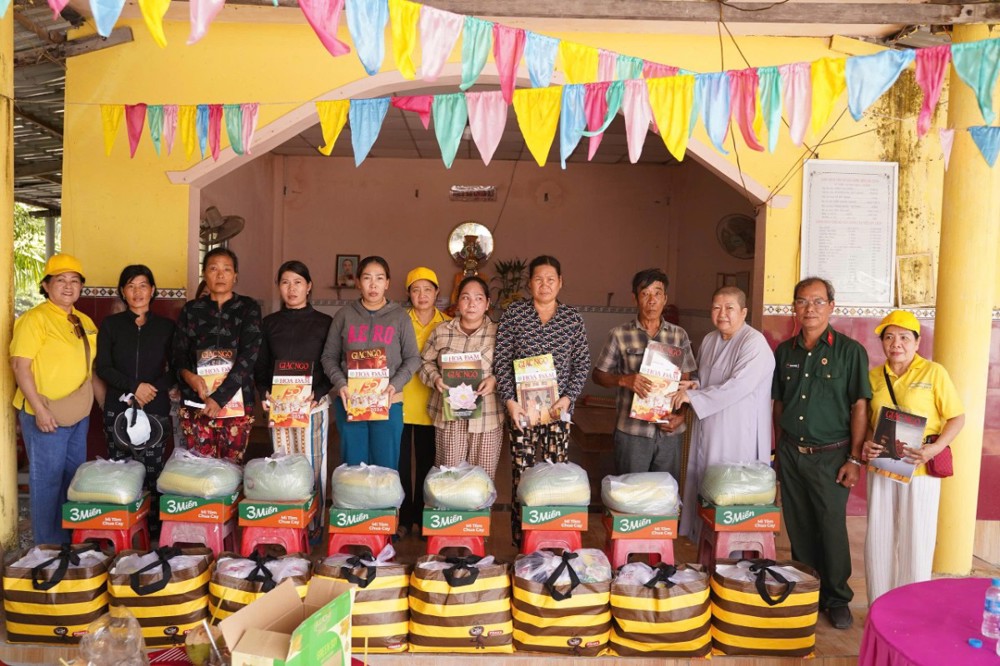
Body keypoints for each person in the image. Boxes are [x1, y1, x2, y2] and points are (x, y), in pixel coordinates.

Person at [772, 276, 871, 630]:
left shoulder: (850, 351)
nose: (809, 308)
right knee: (798, 526)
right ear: (794, 307)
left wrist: (855, 459)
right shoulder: (785, 351)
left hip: (832, 456)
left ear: (831, 306)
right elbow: (779, 403)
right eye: (802, 301)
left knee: (830, 527)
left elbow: (860, 406)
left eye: (817, 301)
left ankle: (837, 597)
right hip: (791, 453)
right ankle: (808, 591)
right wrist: (779, 450)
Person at [861, 310, 964, 603]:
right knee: (878, 538)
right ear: (882, 342)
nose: (896, 344)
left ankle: (911, 608)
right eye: (889, 337)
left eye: (904, 338)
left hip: (920, 467)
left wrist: (934, 449)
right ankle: (879, 606)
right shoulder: (873, 377)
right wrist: (867, 443)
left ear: (917, 342)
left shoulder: (934, 373)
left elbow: (956, 418)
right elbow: (866, 421)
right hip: (883, 464)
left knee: (916, 540)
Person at [494, 255, 591, 541]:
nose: (544, 285)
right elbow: (501, 361)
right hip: (522, 412)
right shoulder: (515, 314)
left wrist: (568, 398)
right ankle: (522, 539)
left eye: (550, 279)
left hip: (558, 412)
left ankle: (552, 538)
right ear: (529, 283)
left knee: (554, 475)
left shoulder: (572, 319)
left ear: (560, 282)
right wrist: (510, 401)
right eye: (538, 279)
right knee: (522, 473)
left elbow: (582, 363)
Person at [670, 286, 775, 539]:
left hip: (737, 432)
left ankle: (733, 550)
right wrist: (694, 385)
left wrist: (693, 397)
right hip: (708, 427)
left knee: (729, 489)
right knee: (706, 482)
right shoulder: (709, 339)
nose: (722, 314)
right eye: (716, 308)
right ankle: (704, 541)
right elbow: (708, 379)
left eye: (730, 308)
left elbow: (738, 386)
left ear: (744, 312)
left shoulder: (754, 343)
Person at [10, 253, 98, 544]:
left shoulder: (84, 320)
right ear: (46, 285)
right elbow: (20, 367)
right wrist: (39, 410)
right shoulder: (34, 320)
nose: (68, 286)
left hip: (77, 414)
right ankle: (47, 548)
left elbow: (91, 370)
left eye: (75, 280)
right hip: (45, 414)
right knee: (47, 482)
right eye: (61, 280)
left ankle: (69, 545)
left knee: (73, 480)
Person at [592, 268, 695, 479]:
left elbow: (686, 381)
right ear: (635, 298)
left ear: (665, 299)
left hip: (669, 431)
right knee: (631, 491)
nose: (651, 300)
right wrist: (624, 380)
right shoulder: (619, 334)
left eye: (657, 293)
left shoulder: (679, 335)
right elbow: (598, 375)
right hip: (632, 433)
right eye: (645, 293)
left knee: (667, 492)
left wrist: (681, 416)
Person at [95, 265, 176, 535]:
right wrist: (134, 387)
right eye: (130, 286)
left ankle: (153, 534)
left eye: (143, 285)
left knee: (153, 471)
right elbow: (103, 367)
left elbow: (176, 369)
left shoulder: (166, 327)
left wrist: (151, 389)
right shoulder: (111, 325)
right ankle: (123, 530)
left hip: (155, 408)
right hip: (118, 408)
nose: (137, 292)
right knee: (121, 471)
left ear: (153, 290)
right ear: (122, 291)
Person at [321, 256, 420, 470]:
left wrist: (394, 385)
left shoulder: (400, 317)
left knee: (385, 468)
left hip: (388, 402)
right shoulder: (344, 315)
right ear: (358, 282)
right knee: (353, 467)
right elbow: (328, 357)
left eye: (379, 278)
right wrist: (341, 384)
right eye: (367, 278)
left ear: (387, 283)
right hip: (351, 401)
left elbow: (413, 358)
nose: (373, 285)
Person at [255, 261, 333, 509]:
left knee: (312, 464)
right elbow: (261, 365)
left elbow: (332, 365)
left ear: (309, 286)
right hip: (279, 406)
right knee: (282, 465)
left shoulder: (325, 323)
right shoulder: (269, 323)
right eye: (285, 282)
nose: (292, 288)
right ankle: (286, 520)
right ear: (278, 287)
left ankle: (313, 523)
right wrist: (263, 393)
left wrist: (318, 393)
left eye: (298, 282)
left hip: (313, 406)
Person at [173, 248, 261, 463]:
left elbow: (249, 356)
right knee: (199, 467)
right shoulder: (191, 310)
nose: (220, 275)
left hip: (236, 402)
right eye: (213, 269)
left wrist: (219, 398)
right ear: (204, 274)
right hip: (198, 402)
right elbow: (178, 353)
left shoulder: (248, 308)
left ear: (235, 276)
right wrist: (189, 377)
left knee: (231, 468)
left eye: (226, 269)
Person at [419, 275, 502, 478]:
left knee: (482, 481)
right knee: (449, 478)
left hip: (487, 418)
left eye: (478, 298)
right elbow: (423, 362)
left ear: (487, 303)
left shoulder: (499, 333)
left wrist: (494, 380)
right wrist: (435, 378)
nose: (472, 304)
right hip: (449, 417)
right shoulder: (442, 331)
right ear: (457, 302)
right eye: (465, 297)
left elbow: (510, 366)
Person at [398, 267, 450, 537]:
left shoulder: (448, 323)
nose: (422, 295)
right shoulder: (398, 320)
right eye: (416, 290)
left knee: (429, 462)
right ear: (408, 293)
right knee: (400, 464)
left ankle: (423, 516)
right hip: (400, 401)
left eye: (427, 289)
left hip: (433, 403)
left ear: (437, 292)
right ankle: (404, 518)